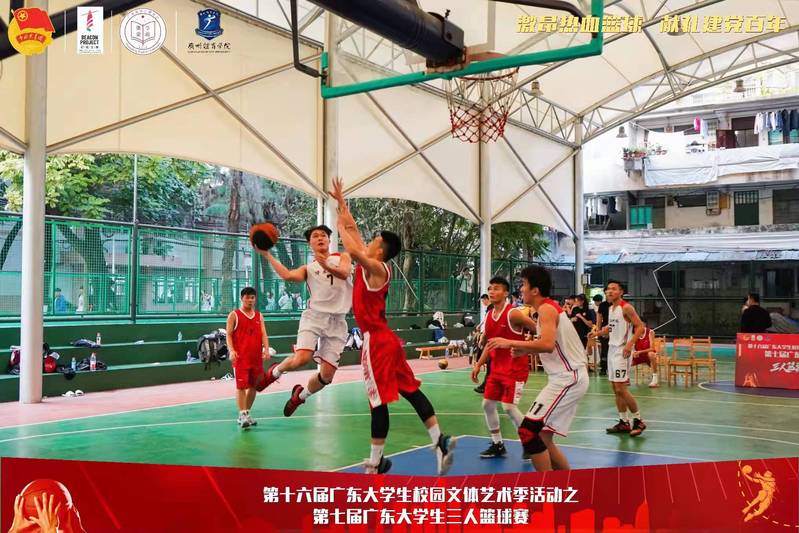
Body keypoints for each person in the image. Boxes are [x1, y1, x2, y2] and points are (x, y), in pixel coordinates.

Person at [330, 177, 455, 475]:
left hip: (376, 342)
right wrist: (342, 203)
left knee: (377, 402)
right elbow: (354, 232)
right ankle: (439, 440)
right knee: (410, 390)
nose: (369, 241)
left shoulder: (377, 268)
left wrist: (337, 225)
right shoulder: (373, 263)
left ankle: (376, 463)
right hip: (388, 340)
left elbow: (352, 246)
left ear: (380, 250)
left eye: (374, 240)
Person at [485, 265, 589, 472]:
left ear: (535, 290)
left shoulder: (546, 309)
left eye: (523, 284)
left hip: (568, 378)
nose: (521, 289)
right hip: (565, 378)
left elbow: (547, 344)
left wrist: (510, 342)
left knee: (528, 432)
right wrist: (525, 349)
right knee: (542, 438)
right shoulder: (546, 309)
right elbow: (551, 344)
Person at [255, 225, 353, 417]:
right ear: (310, 243)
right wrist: (267, 255)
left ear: (329, 240)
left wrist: (325, 264)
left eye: (323, 235)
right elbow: (287, 275)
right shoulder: (309, 268)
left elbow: (343, 273)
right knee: (302, 358)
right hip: (314, 317)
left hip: (337, 322)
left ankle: (300, 396)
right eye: (315, 236)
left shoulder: (343, 257)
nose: (320, 238)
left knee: (327, 376)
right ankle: (275, 372)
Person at [471, 276, 537, 458]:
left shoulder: (513, 314)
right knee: (487, 405)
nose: (492, 291)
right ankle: (498, 444)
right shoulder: (489, 316)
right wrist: (478, 364)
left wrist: (528, 345)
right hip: (497, 369)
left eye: (497, 288)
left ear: (505, 293)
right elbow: (489, 344)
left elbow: (538, 329)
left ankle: (531, 443)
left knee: (508, 407)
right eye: (490, 288)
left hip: (515, 369)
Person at [590, 280, 647, 437]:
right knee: (616, 389)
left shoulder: (626, 307)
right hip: (612, 349)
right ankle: (623, 422)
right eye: (608, 289)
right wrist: (597, 333)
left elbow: (640, 326)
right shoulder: (611, 308)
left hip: (623, 351)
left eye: (614, 289)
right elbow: (611, 328)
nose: (609, 291)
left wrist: (630, 344)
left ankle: (639, 420)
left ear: (621, 292)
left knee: (621, 388)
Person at [225, 287, 270, 429]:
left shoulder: (259, 316)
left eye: (252, 297)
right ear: (241, 298)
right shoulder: (234, 315)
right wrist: (231, 350)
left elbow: (263, 334)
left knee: (253, 387)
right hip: (240, 358)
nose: (250, 300)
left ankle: (246, 413)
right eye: (247, 297)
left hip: (256, 358)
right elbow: (228, 335)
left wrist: (266, 349)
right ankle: (242, 414)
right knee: (241, 387)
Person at [631, 322, 659, 388]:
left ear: (644, 325)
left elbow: (652, 348)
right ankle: (624, 378)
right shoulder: (635, 333)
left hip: (648, 355)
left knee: (651, 354)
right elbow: (632, 346)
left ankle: (655, 379)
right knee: (626, 358)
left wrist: (640, 352)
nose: (637, 328)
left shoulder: (650, 332)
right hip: (639, 356)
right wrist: (633, 352)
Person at [594, 292, 610, 375]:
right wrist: (598, 332)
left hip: (615, 331)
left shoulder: (618, 305)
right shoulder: (602, 305)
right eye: (607, 293)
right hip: (604, 330)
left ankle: (612, 368)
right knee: (604, 350)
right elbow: (599, 320)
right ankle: (603, 368)